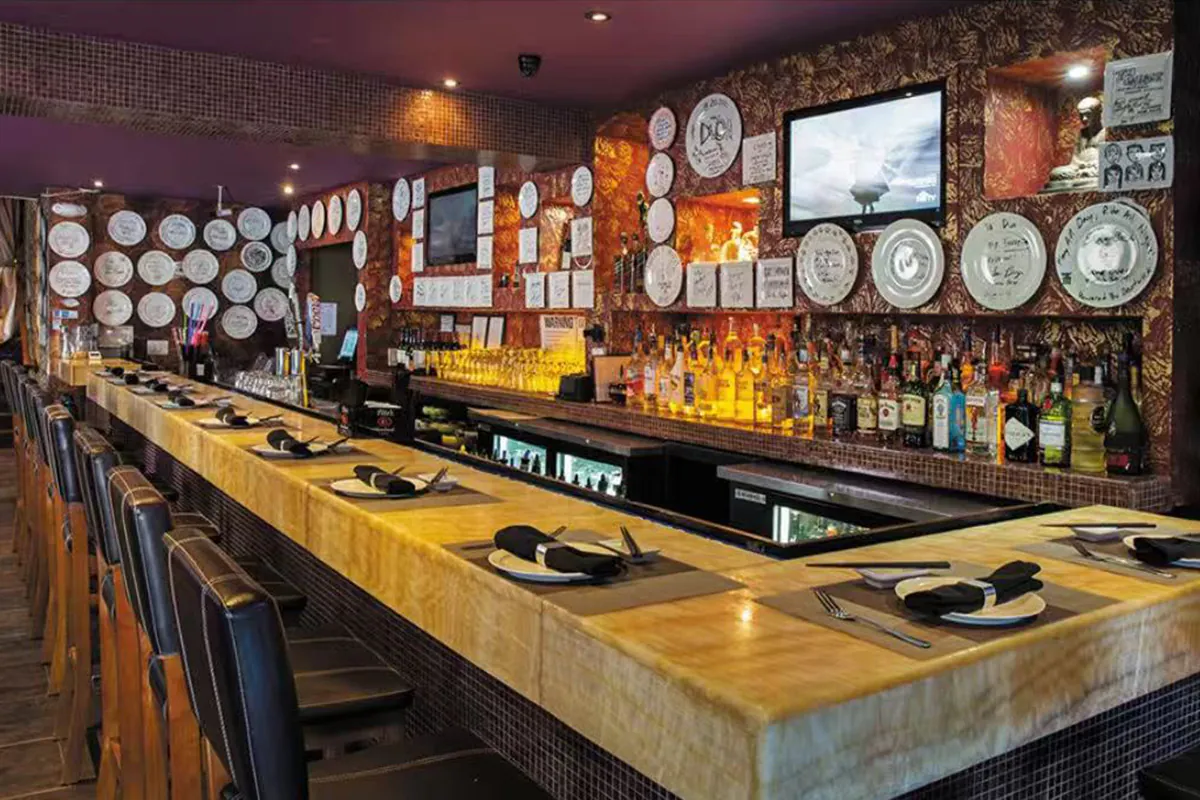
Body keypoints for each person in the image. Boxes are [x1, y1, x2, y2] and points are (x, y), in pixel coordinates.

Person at [1043, 95, 1106, 192]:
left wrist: (1092, 166)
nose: (1084, 119)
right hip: (1079, 168)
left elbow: (1109, 159)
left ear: (1098, 113)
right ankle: (1082, 177)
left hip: (1097, 168)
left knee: (1104, 172)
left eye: (1088, 115)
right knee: (1054, 173)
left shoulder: (1106, 133)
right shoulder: (1081, 134)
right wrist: (1080, 167)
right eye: (1081, 115)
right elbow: (1075, 159)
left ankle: (1083, 177)